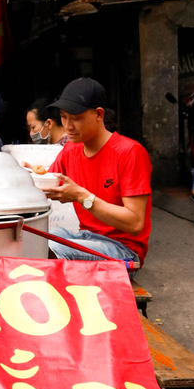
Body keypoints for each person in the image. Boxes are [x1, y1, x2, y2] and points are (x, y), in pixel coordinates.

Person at [43, 77, 153, 271]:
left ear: (99, 114)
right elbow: (47, 182)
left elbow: (135, 222)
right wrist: (28, 173)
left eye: (76, 118)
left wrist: (83, 197)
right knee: (31, 239)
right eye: (64, 116)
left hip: (124, 250)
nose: (68, 126)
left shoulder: (130, 152)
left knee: (48, 249)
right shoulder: (71, 149)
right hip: (86, 237)